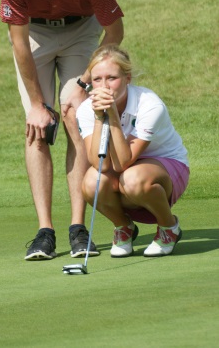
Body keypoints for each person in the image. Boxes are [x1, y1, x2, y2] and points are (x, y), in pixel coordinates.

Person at [0, 0, 124, 260]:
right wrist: (38, 105)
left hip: (81, 31)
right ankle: (45, 232)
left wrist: (84, 82)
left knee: (74, 116)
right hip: (34, 35)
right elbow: (19, 43)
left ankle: (77, 228)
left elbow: (114, 31)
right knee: (38, 126)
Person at [76, 44, 189, 257]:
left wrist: (113, 116)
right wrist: (101, 118)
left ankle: (168, 228)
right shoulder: (85, 110)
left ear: (127, 78)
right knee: (92, 182)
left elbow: (121, 163)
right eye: (97, 79)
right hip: (124, 171)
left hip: (165, 167)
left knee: (133, 178)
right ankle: (123, 227)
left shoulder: (149, 104)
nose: (104, 86)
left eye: (112, 78)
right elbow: (101, 163)